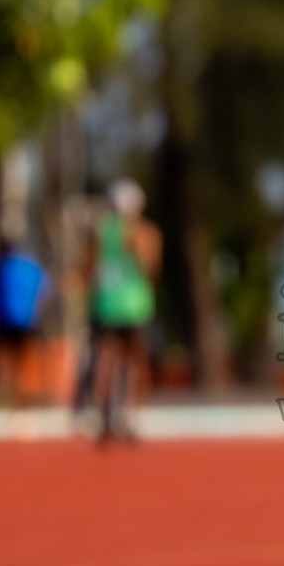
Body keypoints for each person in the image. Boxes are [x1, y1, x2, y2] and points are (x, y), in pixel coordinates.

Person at [87, 179, 160, 442]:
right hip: (124, 306)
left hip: (118, 305)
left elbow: (90, 268)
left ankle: (116, 416)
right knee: (122, 362)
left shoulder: (105, 232)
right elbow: (150, 269)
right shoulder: (141, 232)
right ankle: (117, 416)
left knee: (118, 360)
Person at [0, 239, 50, 407]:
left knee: (2, 362)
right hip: (27, 321)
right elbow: (44, 291)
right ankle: (22, 399)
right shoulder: (31, 267)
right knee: (22, 362)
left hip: (4, 320)